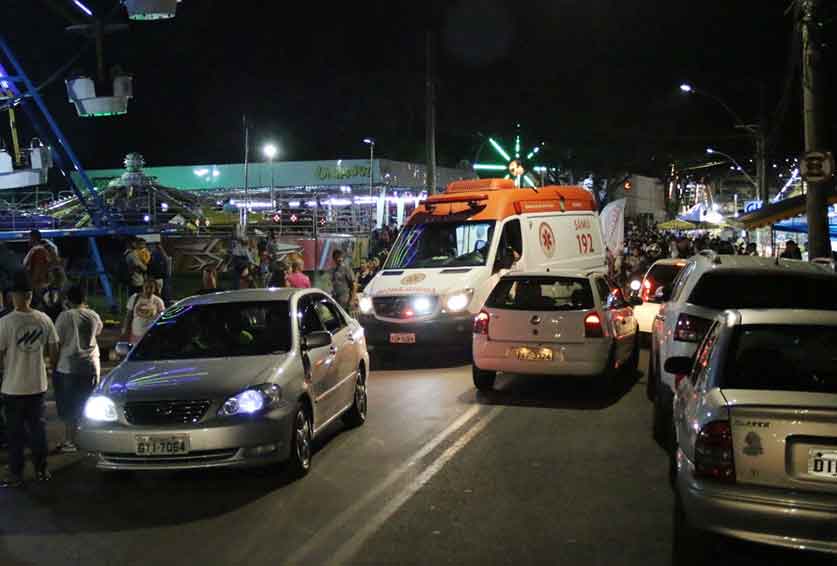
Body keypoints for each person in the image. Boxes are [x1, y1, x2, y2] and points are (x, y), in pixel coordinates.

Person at [0, 272, 59, 487]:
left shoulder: (5, 323)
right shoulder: (43, 319)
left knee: (15, 434)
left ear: (14, 296)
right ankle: (42, 470)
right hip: (37, 385)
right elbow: (54, 346)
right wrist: (50, 367)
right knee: (38, 430)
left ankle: (16, 474)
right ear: (30, 296)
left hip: (12, 387)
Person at [53, 285, 102, 453]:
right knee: (88, 403)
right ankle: (90, 439)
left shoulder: (65, 316)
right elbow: (99, 332)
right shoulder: (93, 315)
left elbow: (57, 341)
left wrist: (52, 363)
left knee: (70, 406)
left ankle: (70, 441)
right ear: (84, 299)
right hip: (91, 365)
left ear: (68, 300)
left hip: (69, 366)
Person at [122, 279, 165, 344]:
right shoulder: (134, 298)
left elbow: (162, 317)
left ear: (154, 289)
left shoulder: (158, 301)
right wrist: (125, 329)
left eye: (151, 287)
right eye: (146, 287)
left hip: (151, 336)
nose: (148, 290)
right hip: (136, 334)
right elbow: (128, 315)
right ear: (143, 287)